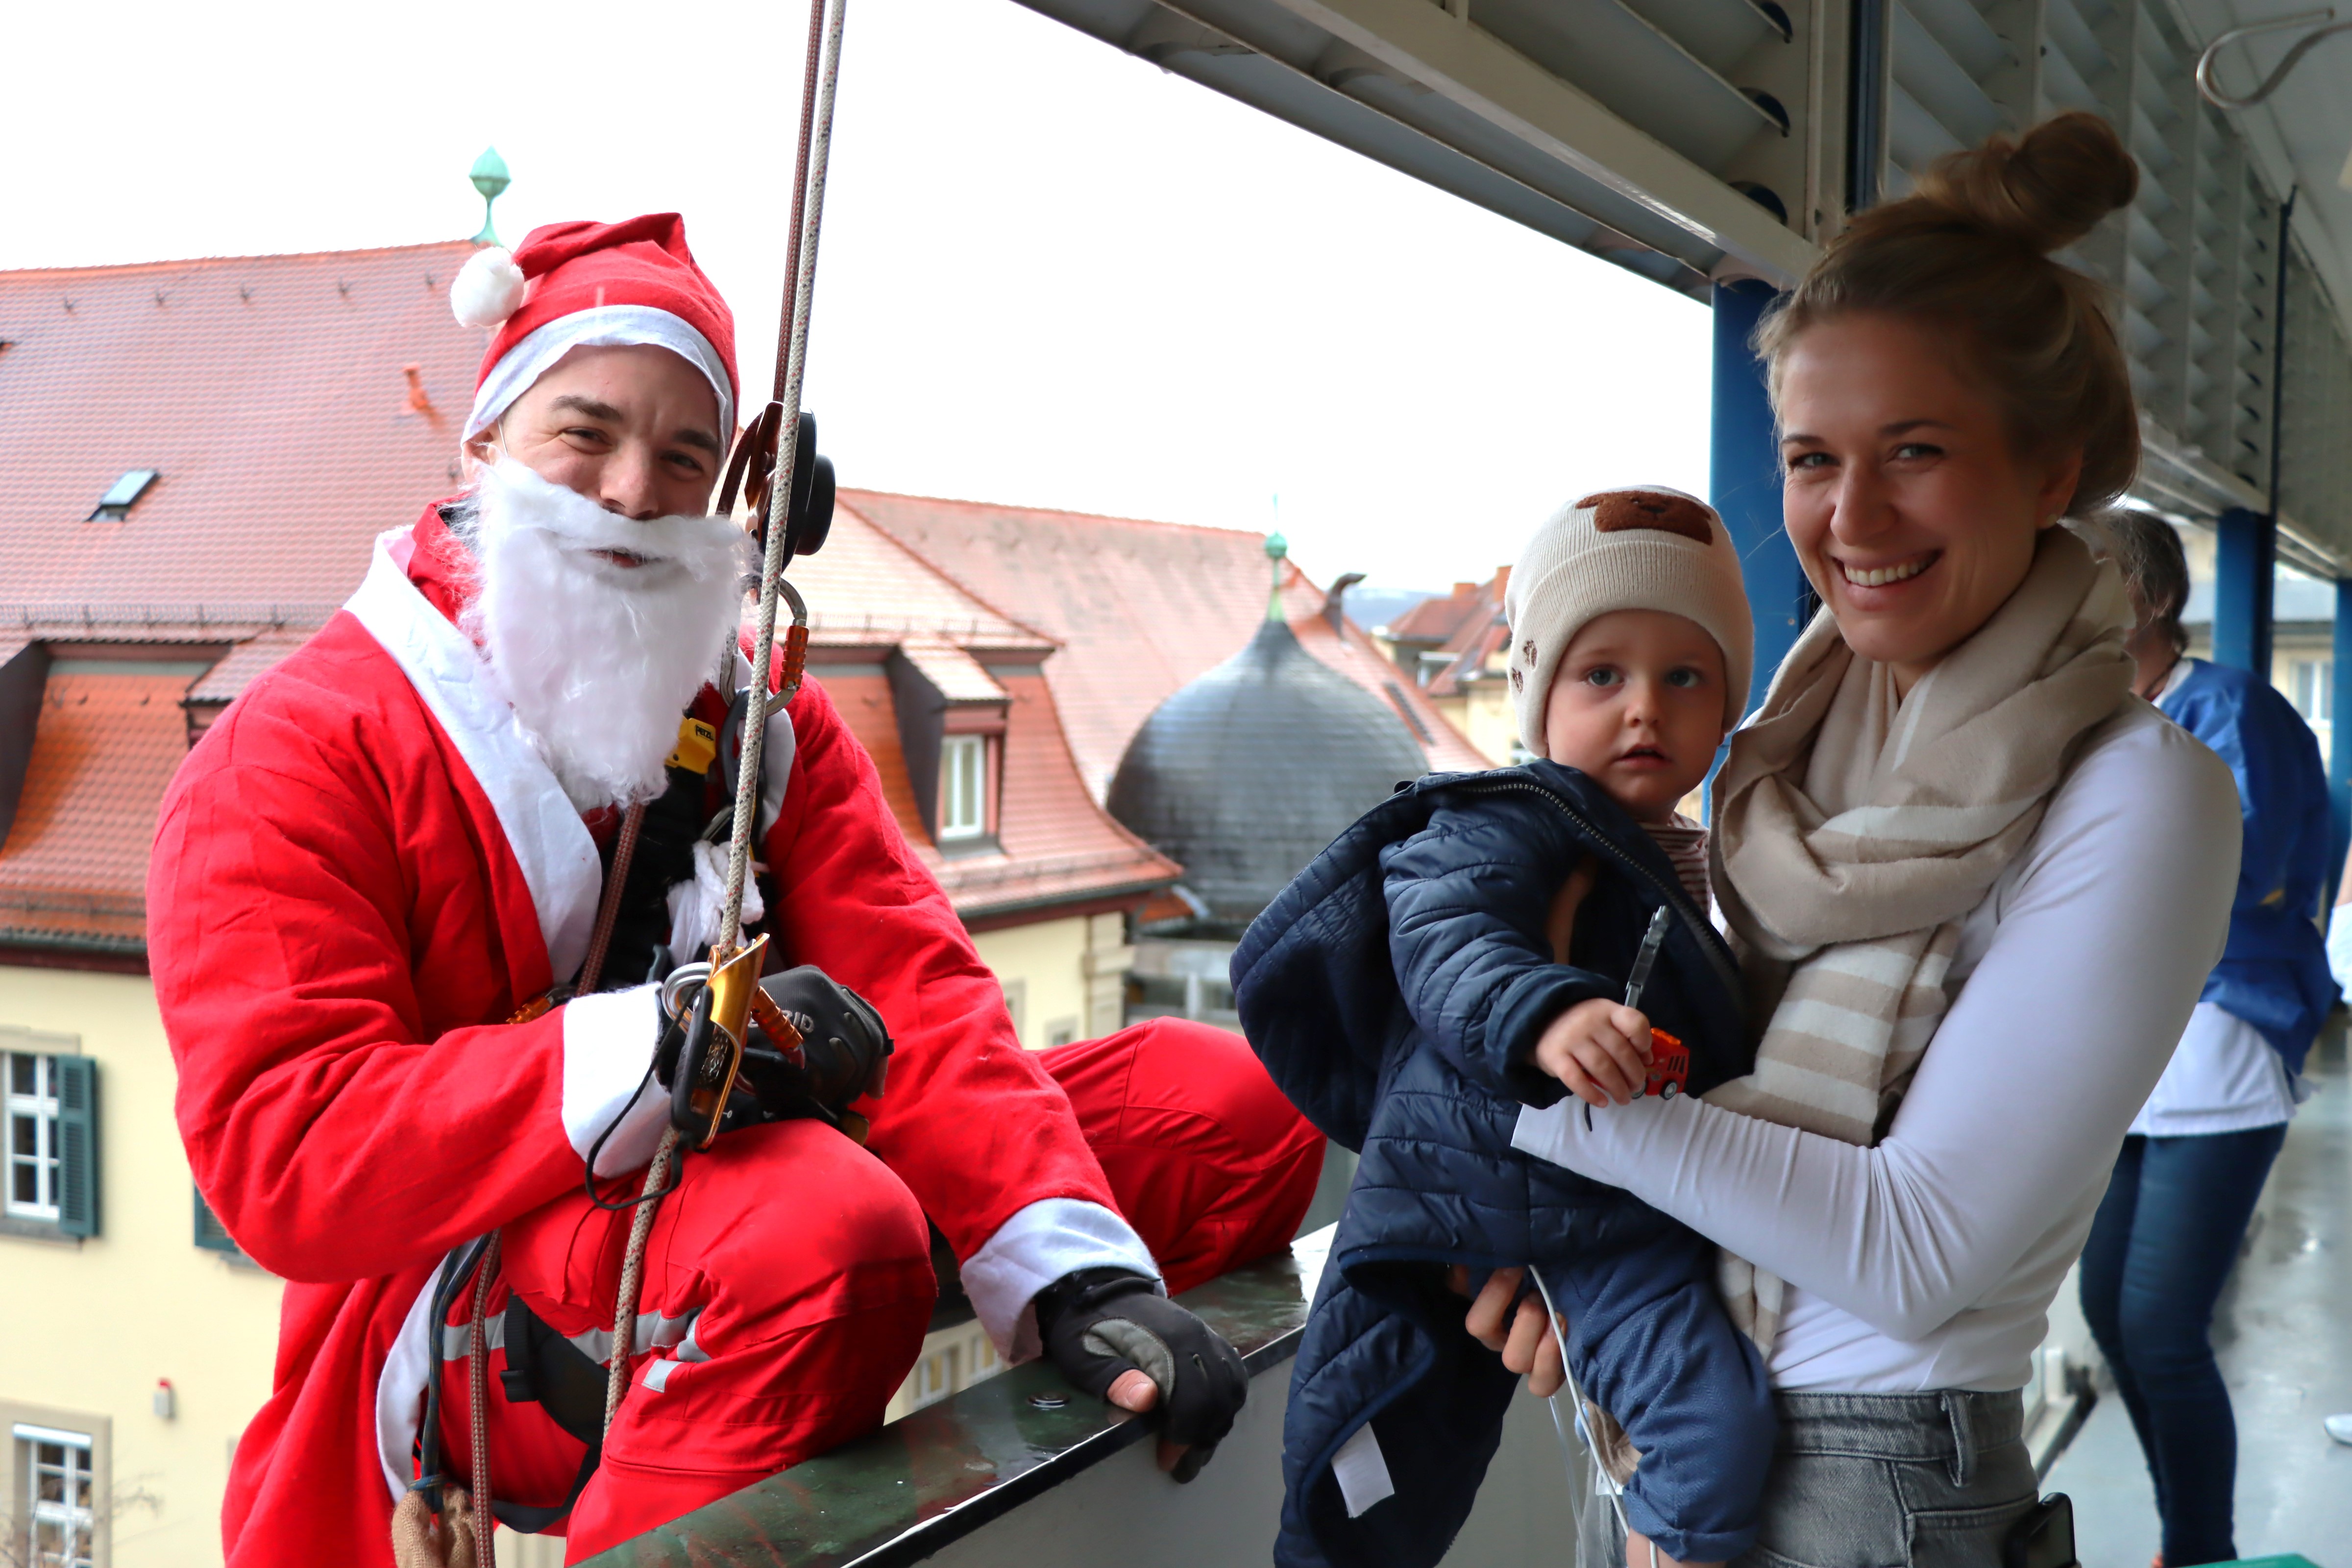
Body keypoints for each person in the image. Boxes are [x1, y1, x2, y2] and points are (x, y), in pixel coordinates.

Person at [146, 214, 1324, 1566]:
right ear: (485, 445)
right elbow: (286, 1158)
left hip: (750, 1204)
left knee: (1229, 1111)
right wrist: (657, 1053)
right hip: (471, 1284)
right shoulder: (300, 748)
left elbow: (917, 987)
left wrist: (1078, 1271)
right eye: (585, 435)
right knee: (823, 1238)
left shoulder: (757, 720)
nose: (635, 489)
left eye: (683, 456)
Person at [1476, 112, 2244, 1563]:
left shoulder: (2141, 796)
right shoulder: (1791, 749)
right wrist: (1577, 1246)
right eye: (1813, 457)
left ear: (2048, 469)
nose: (1852, 514)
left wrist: (1492, 1103)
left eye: (1917, 451)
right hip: (1694, 1408)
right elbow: (1719, 1099)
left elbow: (1911, 1251)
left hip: (1874, 1481)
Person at [1235, 488, 1771, 1568]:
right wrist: (1548, 1008)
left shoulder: (1702, 859)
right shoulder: (1501, 819)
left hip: (1620, 1212)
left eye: (1686, 677)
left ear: (1728, 707)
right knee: (1368, 1454)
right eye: (1602, 673)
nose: (1644, 710)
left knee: (1710, 1435)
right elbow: (1446, 937)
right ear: (1534, 690)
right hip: (1508, 1196)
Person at [2077, 506, 2335, 1564]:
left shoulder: (2230, 708)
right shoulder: (2090, 717)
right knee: (2107, 1306)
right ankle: (2184, 1527)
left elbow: (2240, 866)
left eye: (2094, 581)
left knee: (2165, 1326)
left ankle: (2200, 1547)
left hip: (2220, 1044)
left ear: (2155, 600)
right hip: (2126, 1056)